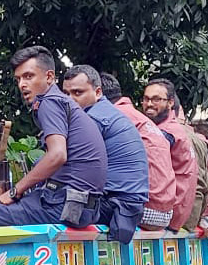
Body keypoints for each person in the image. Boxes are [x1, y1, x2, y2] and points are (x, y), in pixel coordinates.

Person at [0, 46, 106, 228]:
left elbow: (57, 155)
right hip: (85, 207)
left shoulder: (49, 102)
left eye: (29, 76)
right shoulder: (65, 103)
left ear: (49, 77)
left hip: (63, 204)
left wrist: (15, 191)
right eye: (18, 79)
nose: (22, 84)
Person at [63, 65, 149, 243]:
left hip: (116, 204)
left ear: (98, 92)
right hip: (127, 205)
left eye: (77, 93)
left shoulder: (92, 120)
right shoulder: (108, 112)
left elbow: (64, 162)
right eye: (66, 94)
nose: (70, 100)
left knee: (46, 209)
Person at [100, 72, 177, 229]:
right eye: (146, 99)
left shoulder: (110, 116)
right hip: (166, 212)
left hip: (143, 208)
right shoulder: (140, 118)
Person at [142, 79, 198, 231]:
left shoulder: (165, 133)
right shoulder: (175, 129)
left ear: (170, 102)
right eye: (146, 99)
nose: (149, 104)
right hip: (179, 213)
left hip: (168, 213)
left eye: (156, 99)